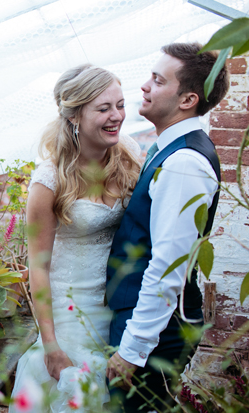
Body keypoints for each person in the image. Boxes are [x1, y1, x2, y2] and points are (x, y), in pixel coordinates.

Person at [105, 42, 230, 412]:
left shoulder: (183, 163)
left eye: (158, 80)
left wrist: (133, 350)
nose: (144, 86)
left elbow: (167, 268)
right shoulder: (166, 147)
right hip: (141, 320)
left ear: (188, 99)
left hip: (154, 332)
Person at [10, 64, 141, 413]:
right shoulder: (48, 181)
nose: (117, 116)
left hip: (116, 311)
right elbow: (37, 269)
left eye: (120, 104)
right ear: (74, 116)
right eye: (103, 109)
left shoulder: (128, 157)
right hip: (70, 318)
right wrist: (51, 345)